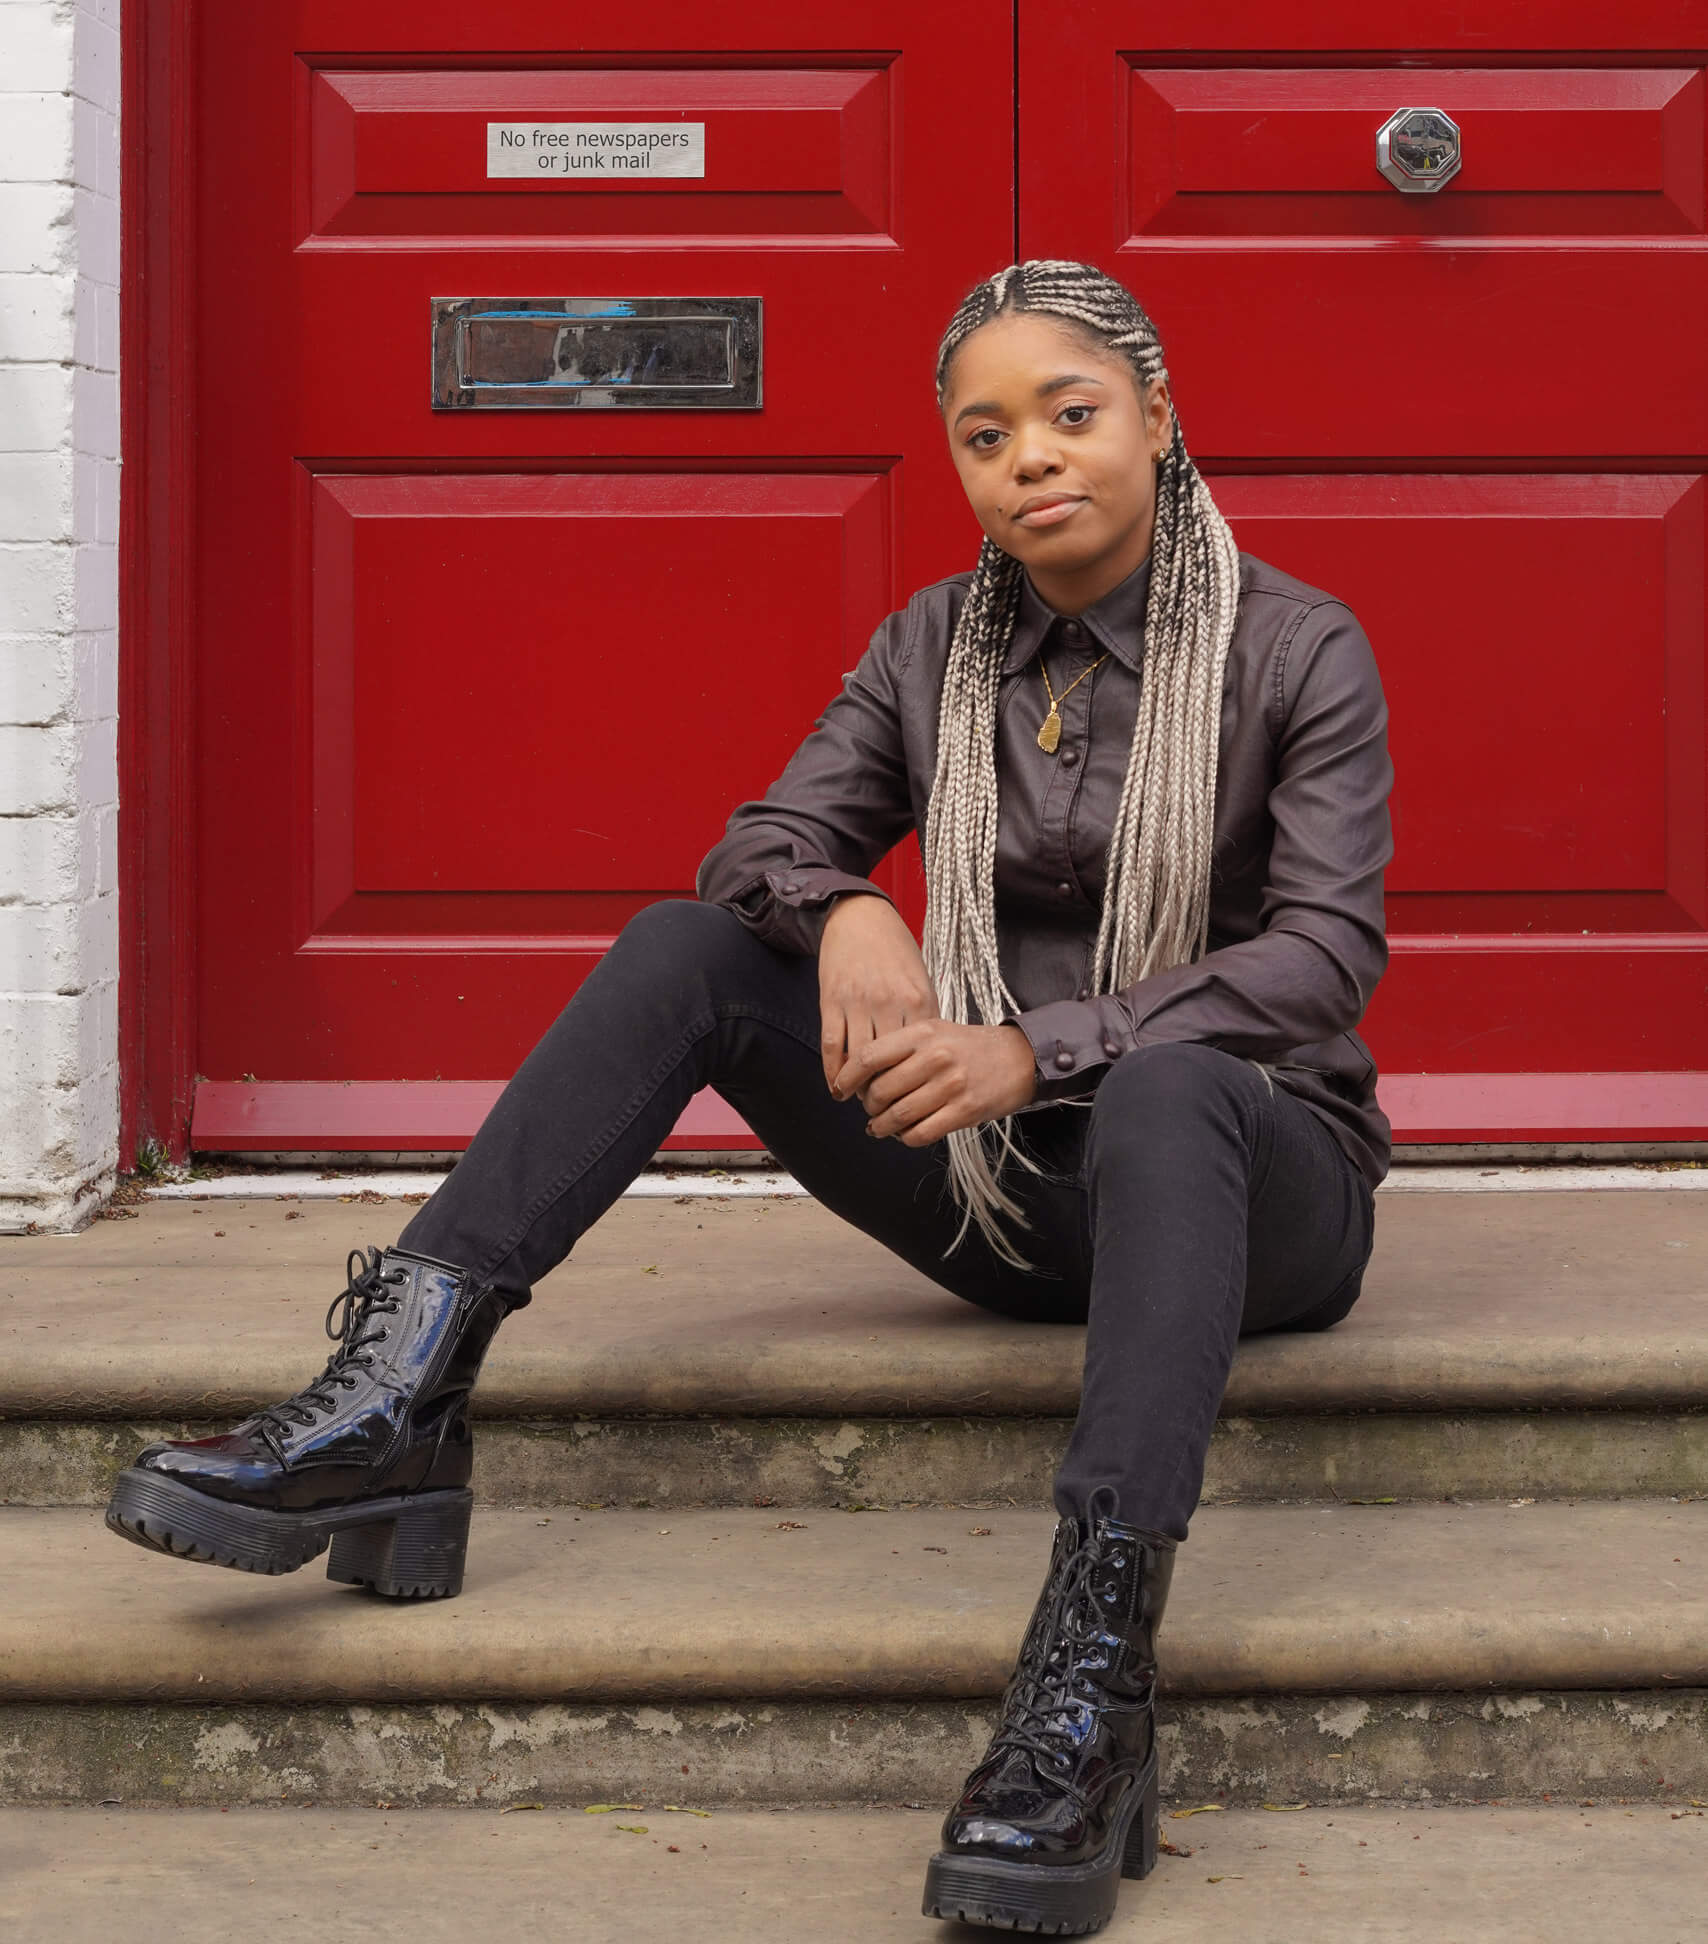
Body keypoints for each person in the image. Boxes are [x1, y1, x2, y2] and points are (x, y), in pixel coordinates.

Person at [106, 258, 1393, 1937]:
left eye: (1072, 416)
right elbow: (759, 848)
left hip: (1257, 1192)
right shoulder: (934, 645)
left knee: (1163, 1089)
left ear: (1158, 420)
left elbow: (1320, 959)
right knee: (682, 951)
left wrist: (1044, 1045)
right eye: (987, 434)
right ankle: (396, 1398)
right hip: (1005, 1196)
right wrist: (851, 906)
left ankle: (1089, 1680)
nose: (1033, 460)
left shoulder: (1298, 648)